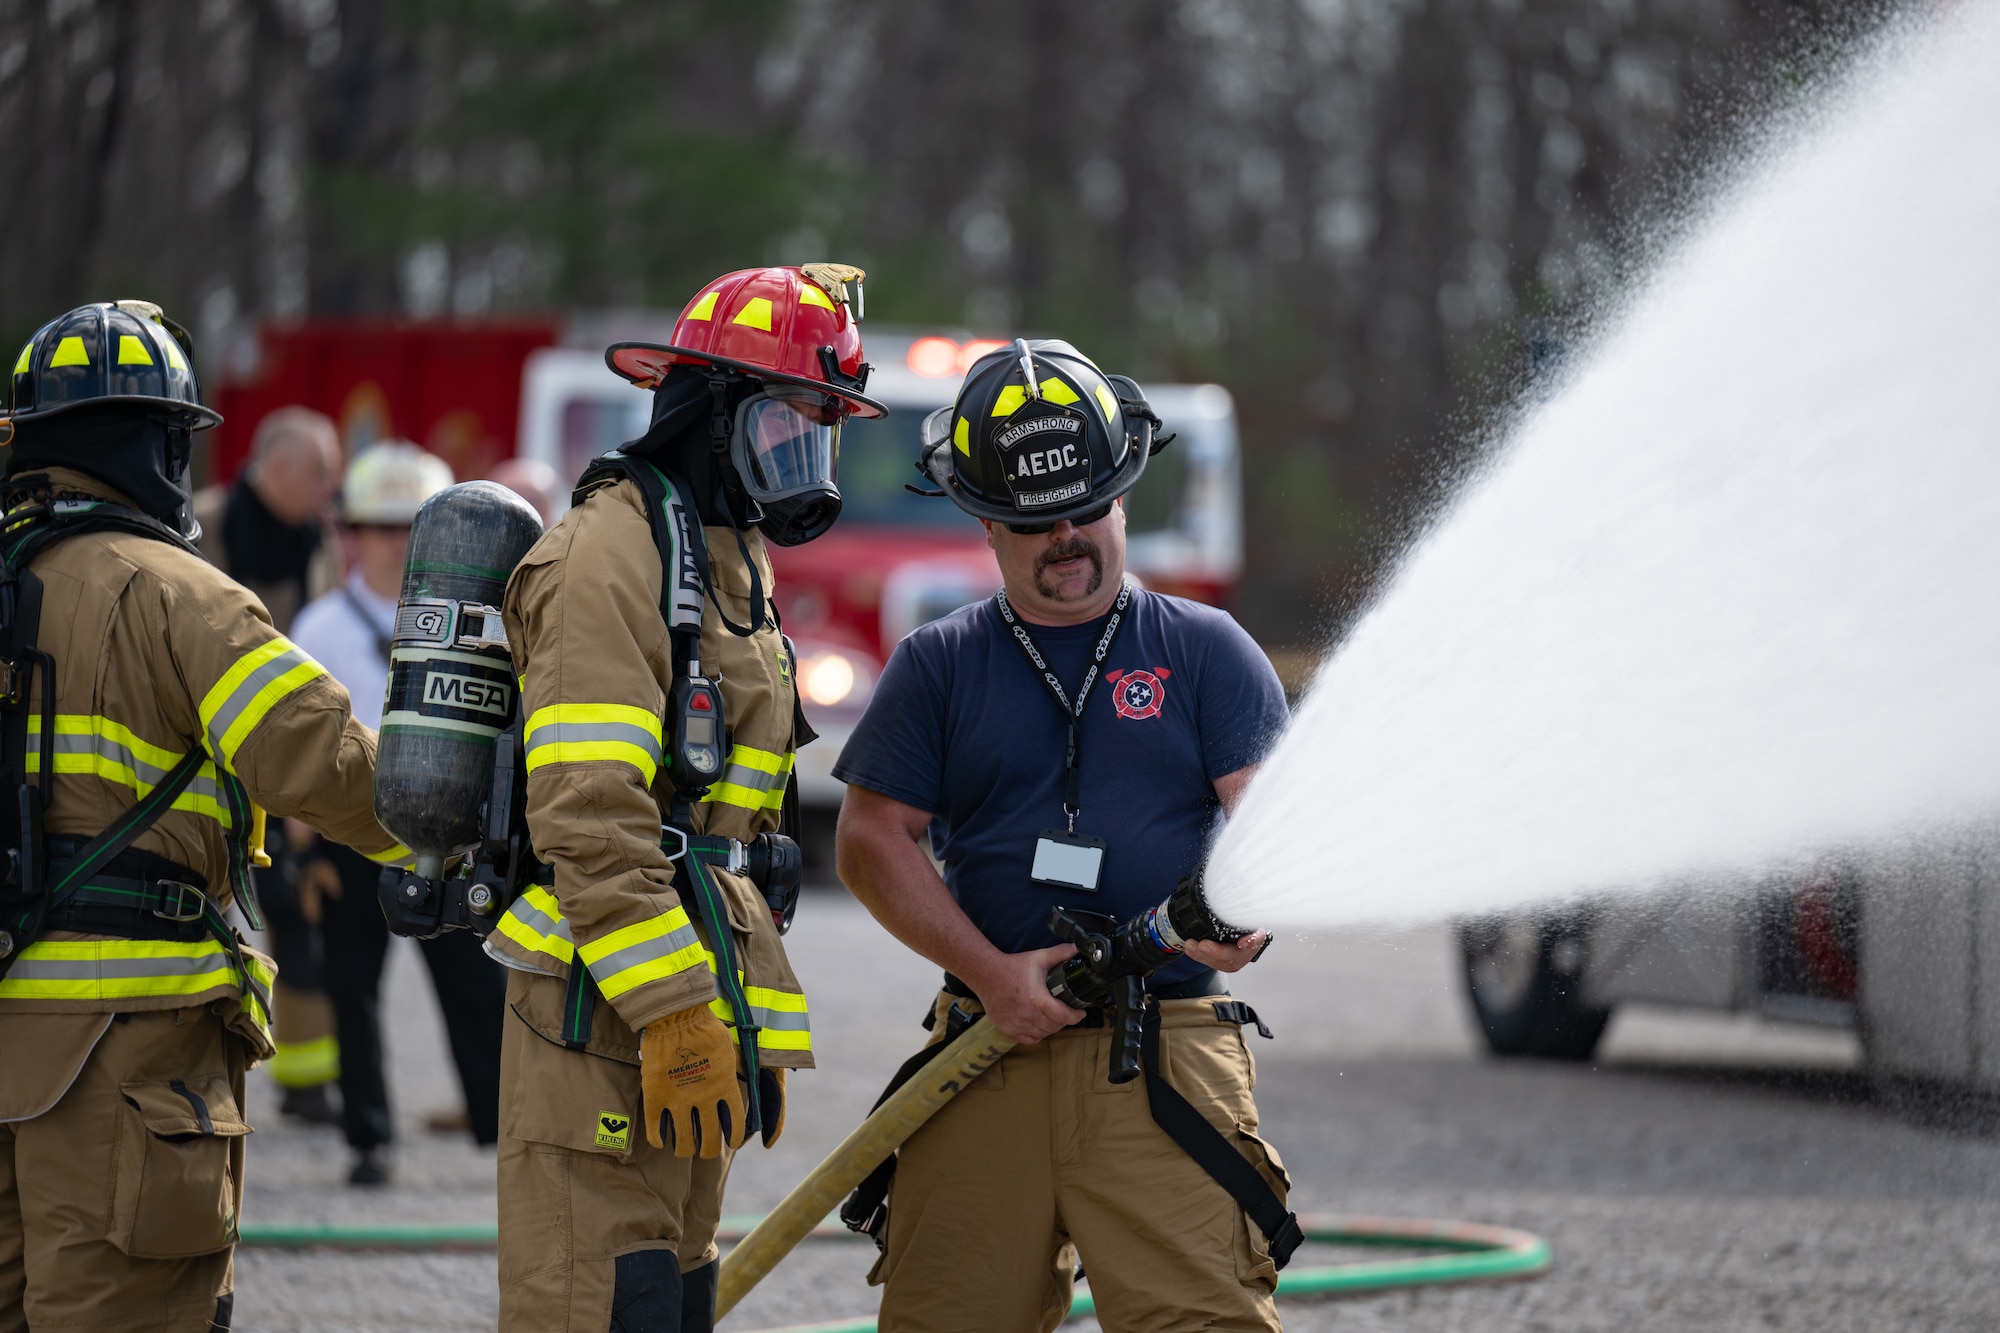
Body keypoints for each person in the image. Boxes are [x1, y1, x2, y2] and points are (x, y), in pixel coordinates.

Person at [832, 339, 1294, 1332]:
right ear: (985, 523)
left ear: (1124, 492)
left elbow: (1263, 832)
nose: (1067, 535)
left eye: (1087, 506)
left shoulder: (1206, 652)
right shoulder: (936, 665)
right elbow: (871, 840)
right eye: (1035, 520)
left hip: (1161, 1053)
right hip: (984, 1047)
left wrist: (1240, 916)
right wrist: (990, 974)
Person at [482, 263, 881, 1330]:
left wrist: (740, 1020)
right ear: (707, 414)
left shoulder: (714, 554)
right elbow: (589, 811)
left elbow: (729, 829)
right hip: (601, 1010)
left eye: (819, 434)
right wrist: (674, 1009)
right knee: (601, 1304)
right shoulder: (609, 556)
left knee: (670, 1296)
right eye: (786, 428)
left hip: (689, 1005)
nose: (802, 462)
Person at [0, 300, 407, 1331]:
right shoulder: (183, 596)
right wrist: (488, 818)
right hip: (121, 1059)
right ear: (153, 445)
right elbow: (331, 767)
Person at [288, 441, 512, 1186]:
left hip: (451, 833)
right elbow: (302, 749)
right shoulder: (320, 628)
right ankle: (369, 1138)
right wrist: (305, 852)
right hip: (352, 838)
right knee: (352, 990)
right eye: (378, 526)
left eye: (406, 527)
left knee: (478, 988)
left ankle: (504, 1129)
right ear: (352, 531)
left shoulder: (478, 618)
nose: (391, 541)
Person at [192, 405, 347, 1124]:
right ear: (276, 465)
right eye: (319, 470)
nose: (329, 486)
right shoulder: (203, 525)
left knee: (293, 909)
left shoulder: (315, 540)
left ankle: (308, 1085)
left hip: (279, 749)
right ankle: (200, 1073)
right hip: (205, 754)